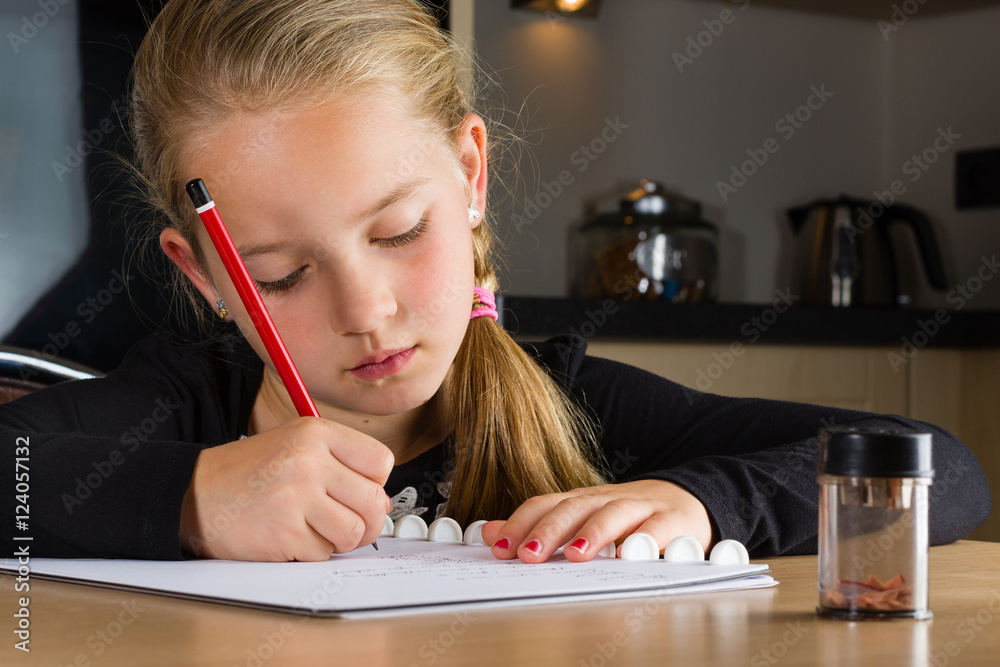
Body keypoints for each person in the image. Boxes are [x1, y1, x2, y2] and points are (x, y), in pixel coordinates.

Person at [0, 0, 990, 563]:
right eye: (282, 274)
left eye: (396, 230)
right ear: (206, 274)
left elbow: (938, 463)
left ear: (469, 175)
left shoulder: (572, 407)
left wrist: (706, 505)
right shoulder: (180, 405)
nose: (367, 310)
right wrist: (191, 497)